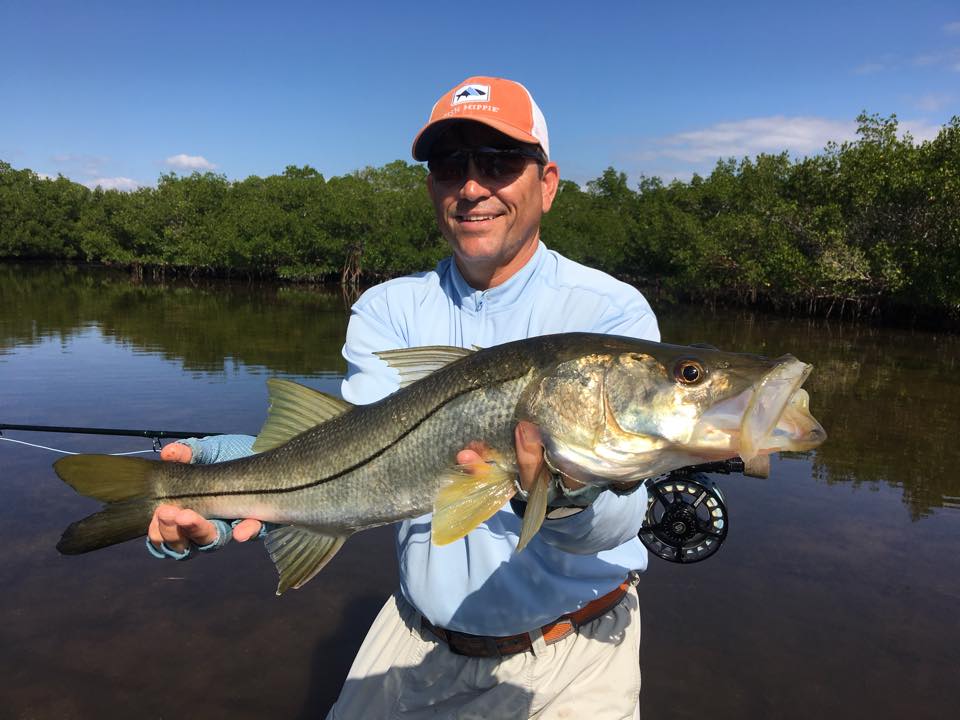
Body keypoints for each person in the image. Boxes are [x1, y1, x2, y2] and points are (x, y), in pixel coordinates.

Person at [147, 76, 660, 719]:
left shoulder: (608, 317)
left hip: (572, 654)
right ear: (432, 187)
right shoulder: (388, 309)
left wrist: (567, 494)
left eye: (499, 162)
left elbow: (616, 524)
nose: (472, 187)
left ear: (547, 183)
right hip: (415, 640)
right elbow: (365, 457)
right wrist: (235, 484)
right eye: (451, 166)